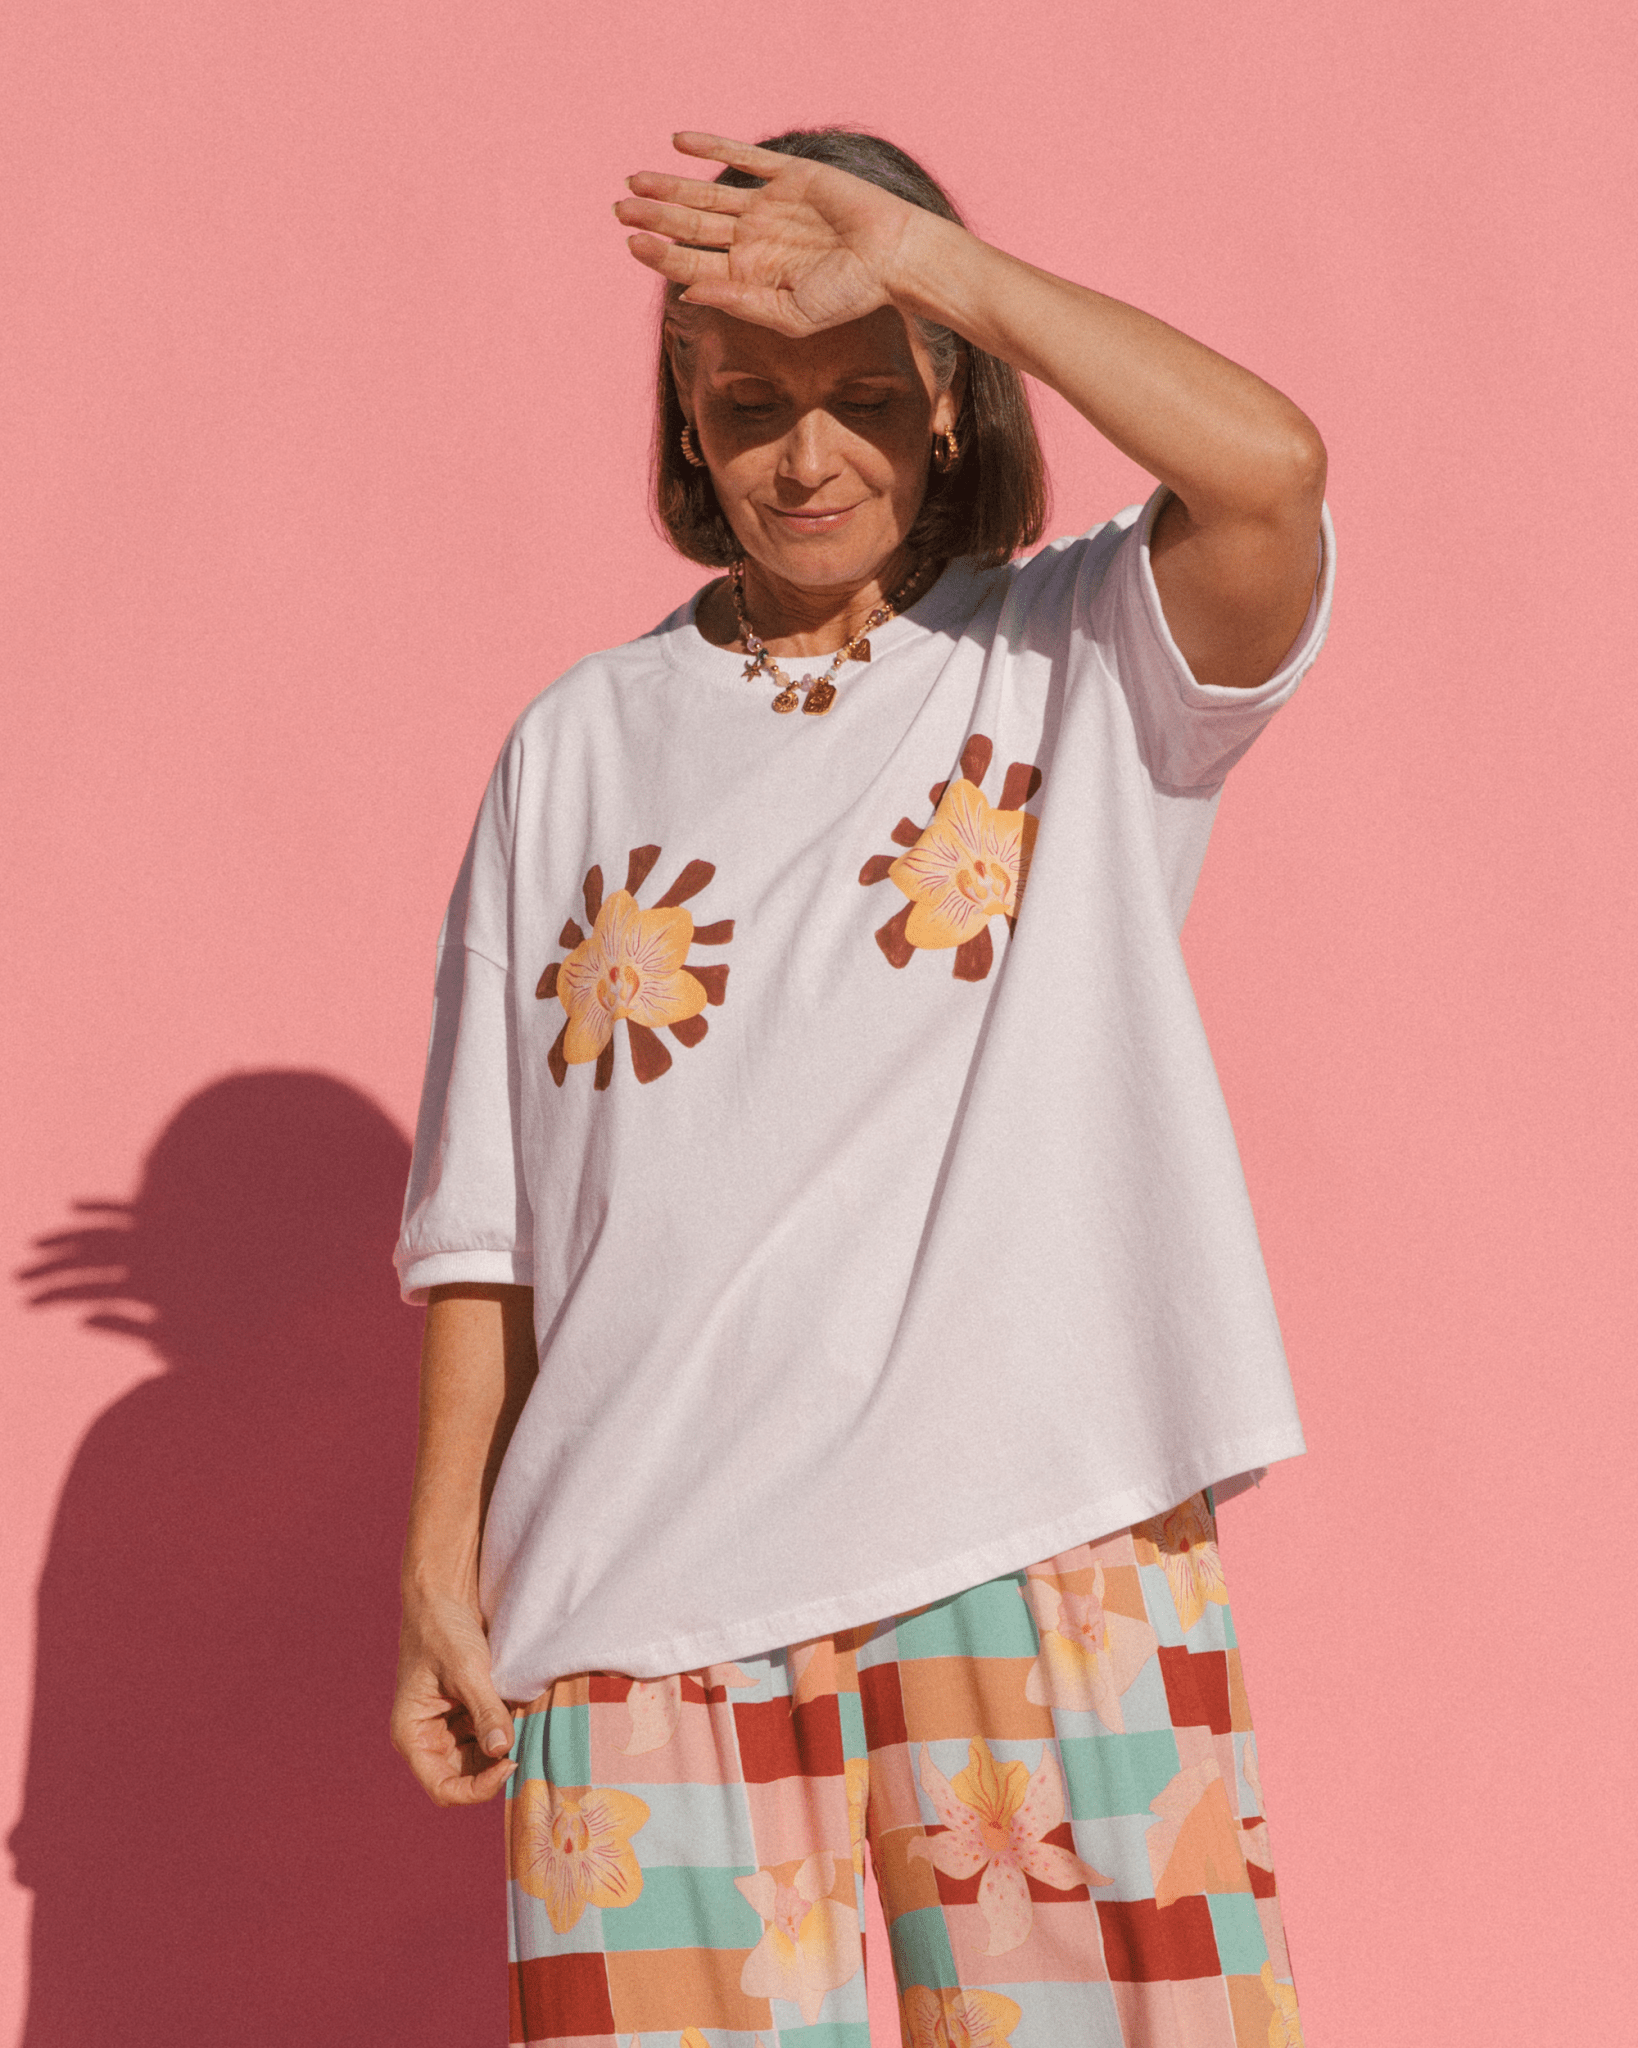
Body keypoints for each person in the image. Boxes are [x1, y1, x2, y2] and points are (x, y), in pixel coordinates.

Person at [390, 126, 1331, 2048]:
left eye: (860, 396)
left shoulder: (1074, 656)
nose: (803, 454)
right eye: (746, 406)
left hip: (1032, 1530)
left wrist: (931, 265)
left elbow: (1272, 473)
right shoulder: (576, 744)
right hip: (633, 1592)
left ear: (946, 403)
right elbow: (487, 1208)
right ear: (684, 427)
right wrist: (438, 1567)